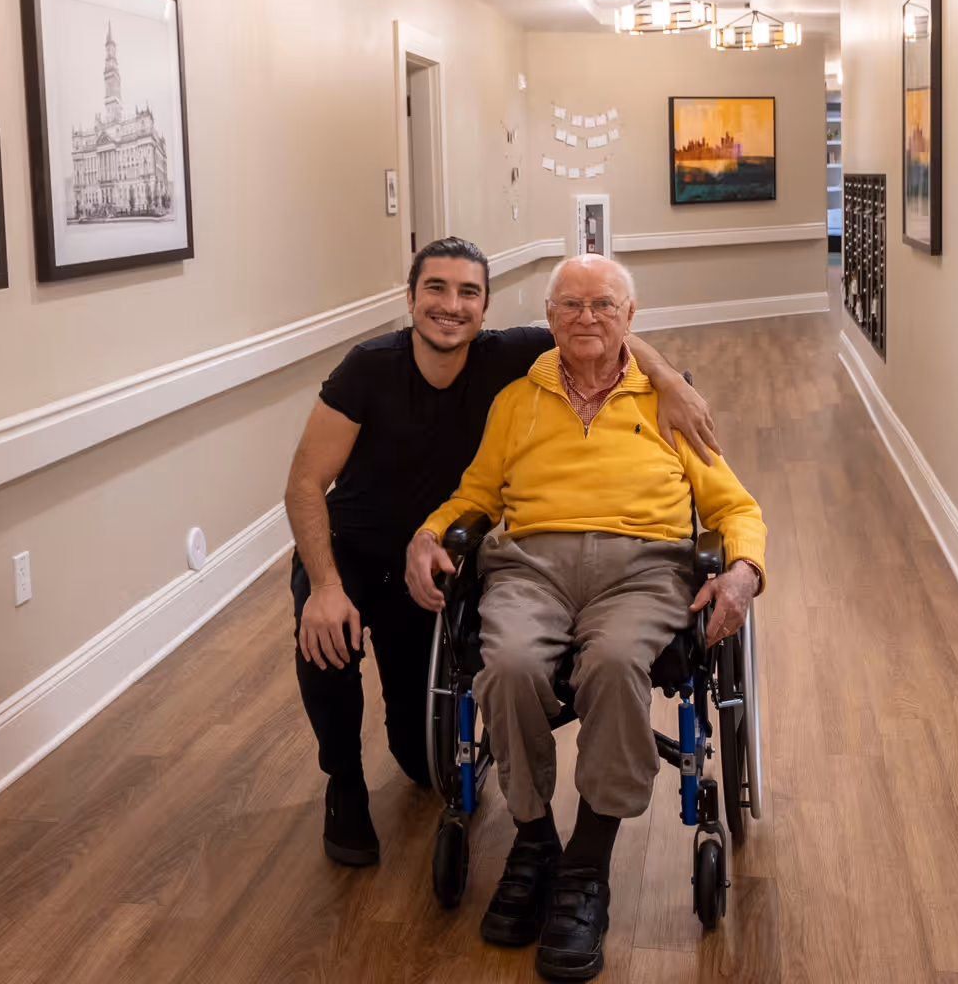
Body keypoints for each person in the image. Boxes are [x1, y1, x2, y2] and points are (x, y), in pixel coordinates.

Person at [284, 237, 724, 869]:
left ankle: (585, 857)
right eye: (434, 289)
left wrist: (667, 380)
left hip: (449, 562)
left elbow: (606, 326)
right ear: (410, 298)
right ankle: (345, 786)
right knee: (330, 641)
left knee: (420, 757)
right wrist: (328, 584)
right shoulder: (372, 368)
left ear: (485, 309)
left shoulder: (514, 356)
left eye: (467, 293)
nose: (450, 306)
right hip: (360, 548)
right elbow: (306, 484)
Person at [406, 254, 766, 982]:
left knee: (612, 662)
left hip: (642, 569)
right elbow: (474, 494)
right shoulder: (517, 400)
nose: (586, 319)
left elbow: (735, 507)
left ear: (631, 318)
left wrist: (743, 570)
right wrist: (425, 534)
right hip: (530, 565)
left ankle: (587, 866)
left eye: (603, 305)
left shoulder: (669, 402)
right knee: (504, 665)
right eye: (569, 306)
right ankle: (534, 839)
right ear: (549, 318)